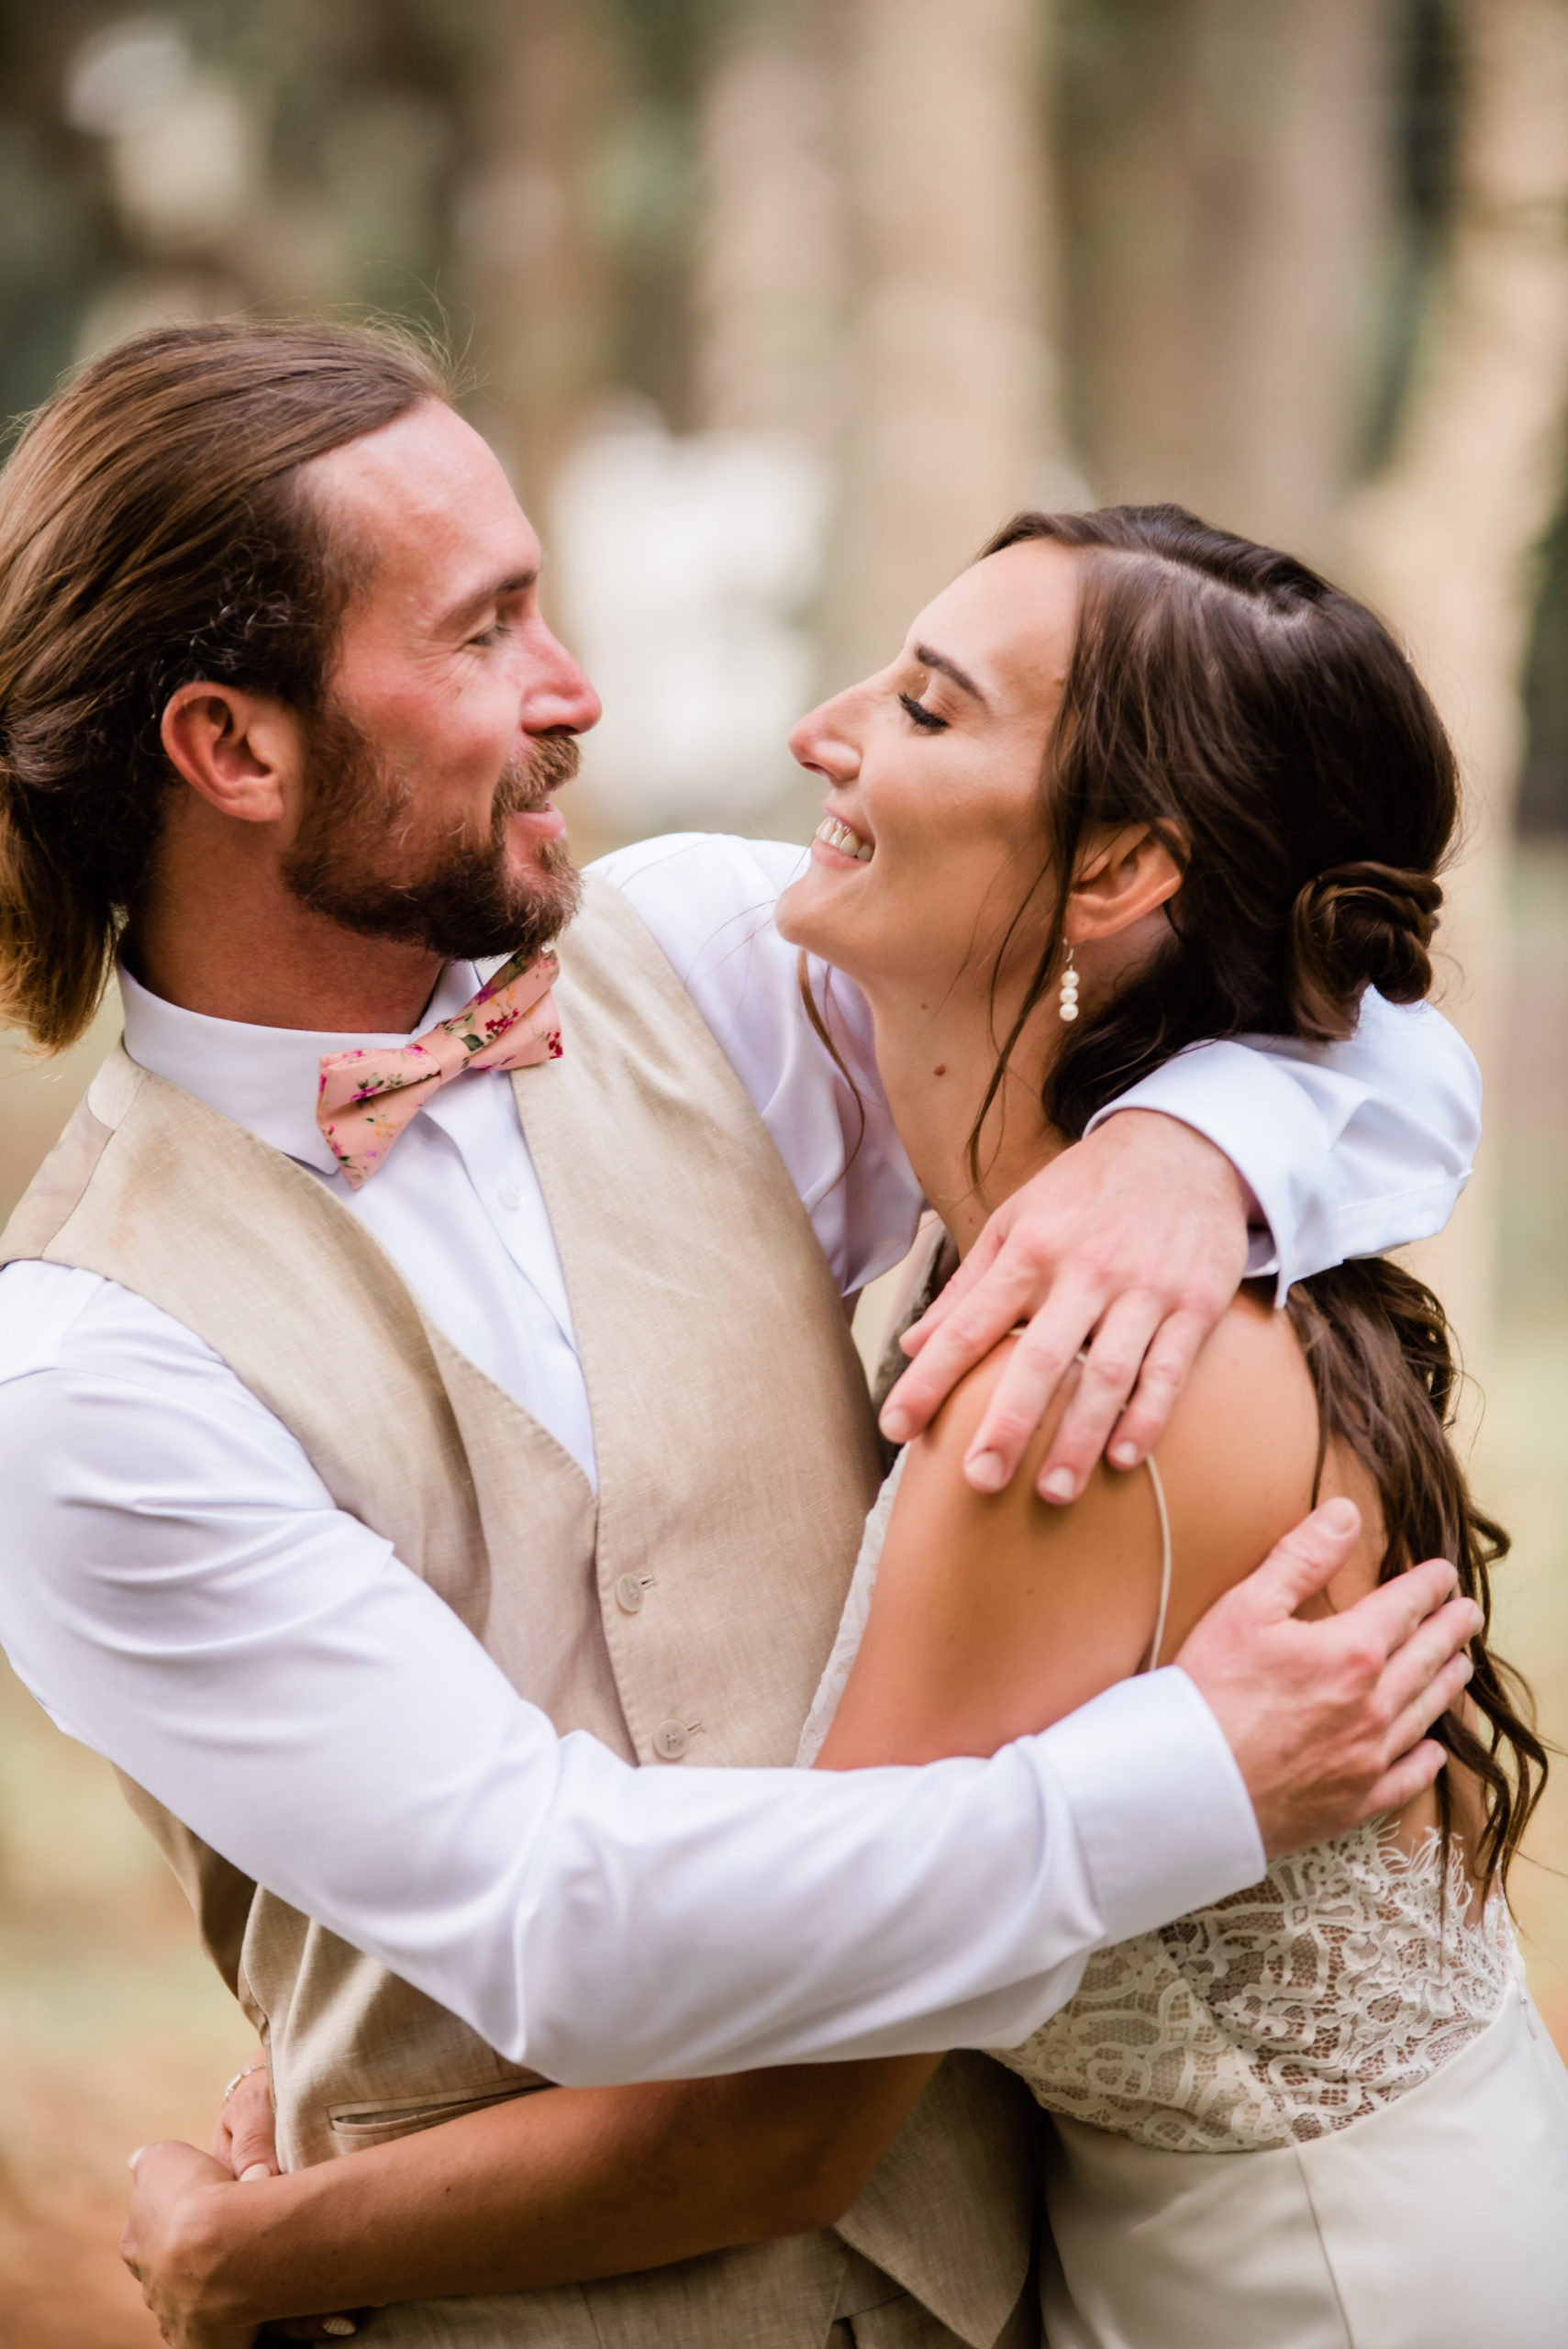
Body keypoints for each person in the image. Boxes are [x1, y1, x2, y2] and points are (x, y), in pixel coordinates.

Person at [0, 323, 1477, 2347]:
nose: (574, 688)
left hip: (1013, 2291)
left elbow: (1298, 980)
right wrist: (1191, 1782)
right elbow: (566, 1924)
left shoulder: (701, 957)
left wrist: (1188, 1151)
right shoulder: (86, 1374)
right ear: (234, 747)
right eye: (487, 628)